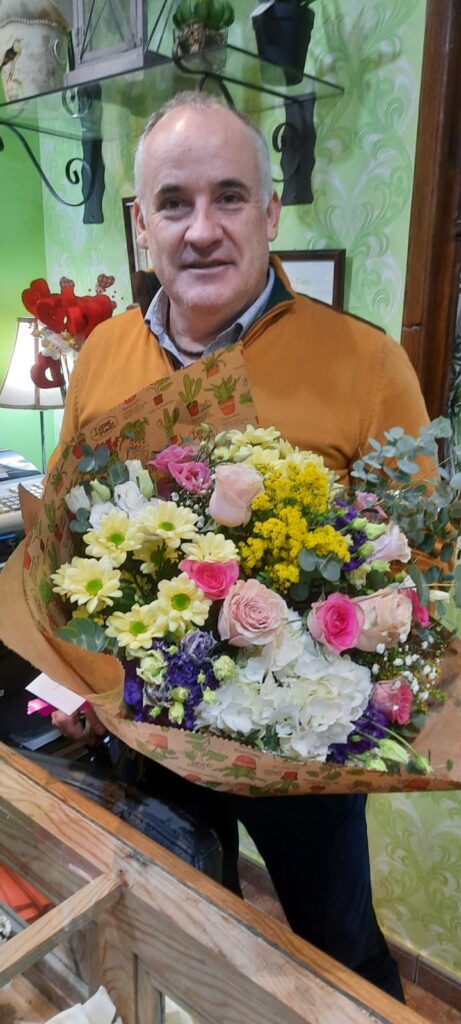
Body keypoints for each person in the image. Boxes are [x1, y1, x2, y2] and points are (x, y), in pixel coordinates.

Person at [50, 91, 431, 1001]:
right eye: (174, 204)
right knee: (186, 930)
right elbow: (63, 535)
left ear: (268, 213)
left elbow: (423, 570)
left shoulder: (367, 364)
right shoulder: (103, 353)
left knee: (340, 943)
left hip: (301, 749)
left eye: (229, 197)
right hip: (141, 728)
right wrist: (70, 678)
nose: (202, 229)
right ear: (143, 227)